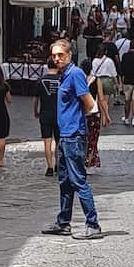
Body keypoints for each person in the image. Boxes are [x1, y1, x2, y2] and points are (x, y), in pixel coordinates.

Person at [43, 39, 101, 239]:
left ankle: (92, 224)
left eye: (60, 54)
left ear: (69, 55)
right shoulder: (64, 75)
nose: (57, 58)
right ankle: (64, 222)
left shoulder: (74, 74)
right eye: (54, 55)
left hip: (74, 135)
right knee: (65, 181)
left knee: (78, 180)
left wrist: (80, 124)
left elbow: (90, 104)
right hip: (65, 135)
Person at [33, 57, 60, 176]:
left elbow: (36, 99)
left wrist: (35, 111)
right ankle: (58, 165)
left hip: (45, 114)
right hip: (60, 115)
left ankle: (49, 167)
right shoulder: (62, 80)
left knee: (47, 141)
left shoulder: (40, 81)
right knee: (59, 141)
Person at [80, 58, 101, 168]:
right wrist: (106, 114)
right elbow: (101, 99)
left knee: (82, 138)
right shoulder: (96, 80)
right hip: (94, 112)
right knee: (93, 138)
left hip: (81, 112)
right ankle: (90, 160)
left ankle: (82, 159)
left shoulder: (79, 80)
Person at [91, 45, 117, 128]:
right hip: (108, 80)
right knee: (106, 101)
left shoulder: (94, 61)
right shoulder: (109, 61)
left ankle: (102, 119)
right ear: (105, 52)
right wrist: (117, 83)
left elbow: (93, 72)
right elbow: (113, 73)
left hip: (98, 80)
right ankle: (105, 119)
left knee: (100, 101)